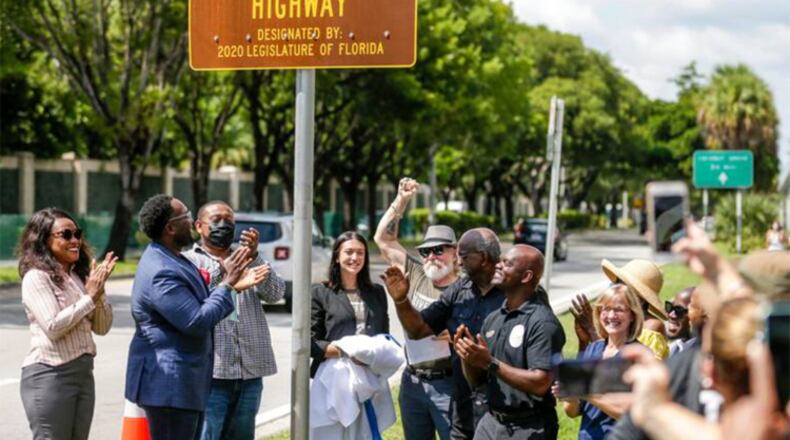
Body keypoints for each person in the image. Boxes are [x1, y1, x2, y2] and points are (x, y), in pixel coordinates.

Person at [125, 194, 254, 440]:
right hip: (169, 386)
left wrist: (227, 285)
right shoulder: (161, 270)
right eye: (185, 216)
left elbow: (202, 303)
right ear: (170, 228)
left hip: (185, 384)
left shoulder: (173, 258)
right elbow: (195, 321)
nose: (192, 219)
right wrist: (227, 285)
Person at [381, 227, 506, 440]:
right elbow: (419, 330)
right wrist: (401, 300)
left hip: (500, 403)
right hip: (457, 398)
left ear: (483, 258)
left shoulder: (511, 290)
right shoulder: (459, 290)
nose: (459, 261)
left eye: (463, 255)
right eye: (426, 251)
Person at [183, 201, 286, 440]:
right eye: (216, 220)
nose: (223, 225)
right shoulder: (189, 262)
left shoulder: (248, 258)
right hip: (213, 374)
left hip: (249, 372)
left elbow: (276, 294)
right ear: (199, 226)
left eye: (229, 221)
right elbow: (196, 307)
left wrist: (254, 256)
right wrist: (229, 277)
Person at [17, 208, 116, 440]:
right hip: (50, 375)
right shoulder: (36, 277)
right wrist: (89, 297)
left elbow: (102, 328)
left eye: (77, 234)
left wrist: (98, 292)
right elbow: (53, 327)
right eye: (66, 235)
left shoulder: (80, 277)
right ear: (43, 240)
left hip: (83, 374)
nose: (75, 241)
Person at [374, 177, 458, 440]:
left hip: (450, 382)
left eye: (439, 250)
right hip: (413, 381)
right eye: (426, 251)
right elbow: (383, 240)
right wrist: (402, 200)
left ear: (455, 253)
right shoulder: (416, 272)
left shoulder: (466, 288)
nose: (431, 256)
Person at [453, 245, 565, 440]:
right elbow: (477, 381)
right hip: (490, 424)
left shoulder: (543, 322)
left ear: (526, 276)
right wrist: (468, 356)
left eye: (507, 263)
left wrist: (489, 362)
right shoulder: (494, 318)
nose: (498, 265)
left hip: (529, 428)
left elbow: (540, 383)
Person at [555, 284, 643, 440]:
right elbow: (572, 412)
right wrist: (569, 393)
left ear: (632, 316)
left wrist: (587, 392)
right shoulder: (593, 349)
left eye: (618, 310)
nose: (610, 315)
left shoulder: (638, 355)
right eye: (606, 309)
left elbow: (635, 415)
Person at [311, 231, 390, 377]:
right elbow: (312, 344)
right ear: (336, 257)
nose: (355, 257)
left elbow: (384, 336)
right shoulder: (320, 293)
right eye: (349, 252)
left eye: (360, 253)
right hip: (333, 374)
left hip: (372, 373)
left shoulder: (377, 292)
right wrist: (350, 352)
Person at [601, 259, 669, 359]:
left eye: (623, 288)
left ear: (640, 299)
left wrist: (594, 334)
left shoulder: (652, 326)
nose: (616, 291)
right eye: (616, 284)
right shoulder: (611, 318)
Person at [665, 287, 693, 356]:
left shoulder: (701, 356)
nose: (671, 315)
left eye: (679, 310)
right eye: (669, 307)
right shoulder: (672, 346)